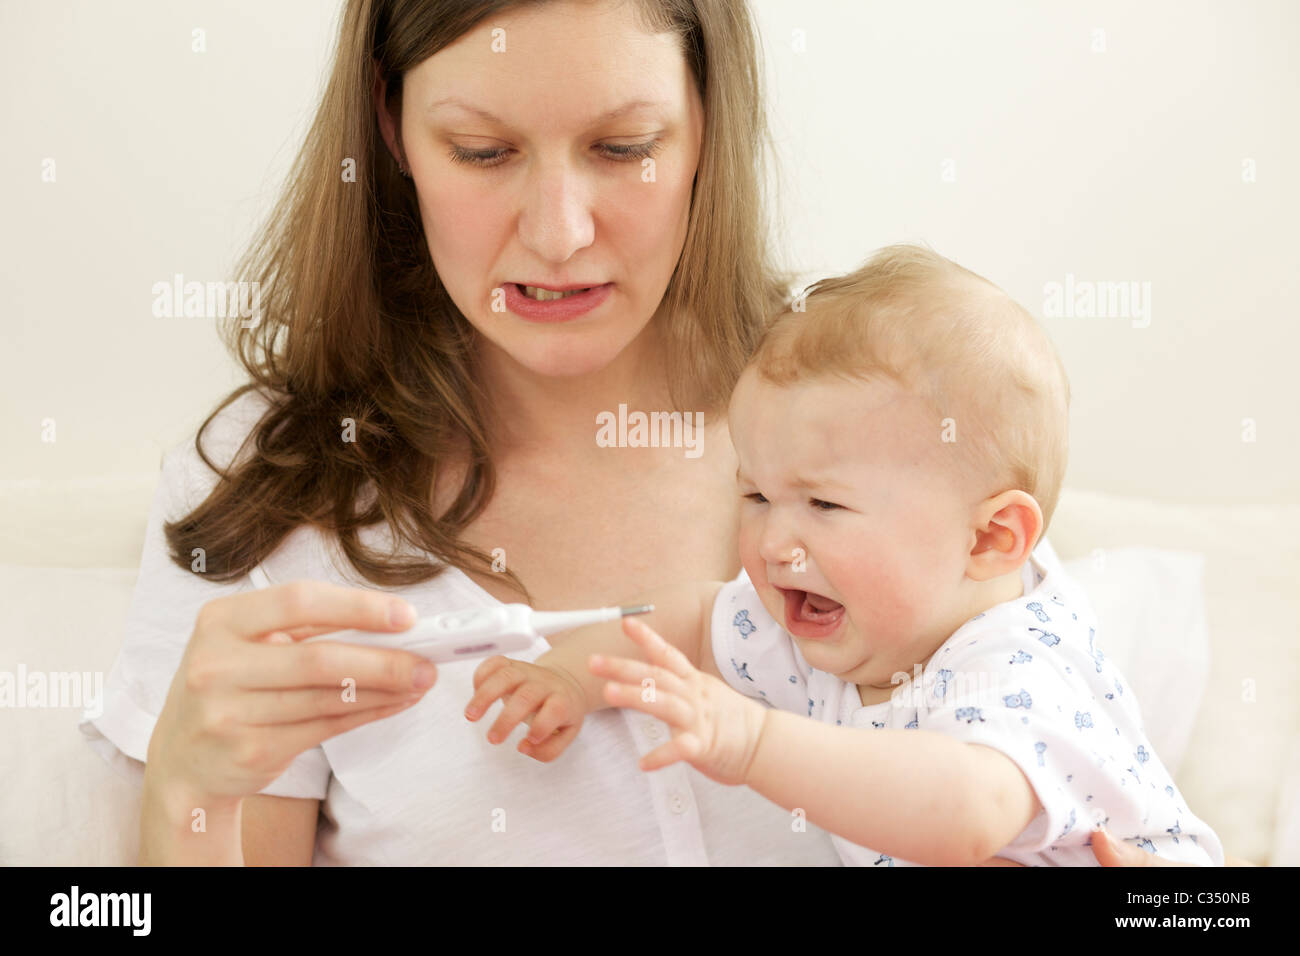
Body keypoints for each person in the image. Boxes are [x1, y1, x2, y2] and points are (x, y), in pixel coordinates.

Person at [79, 0, 1229, 866]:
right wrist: (187, 780)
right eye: (482, 152)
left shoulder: (875, 405)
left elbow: (1098, 801)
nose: (559, 230)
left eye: (624, 146)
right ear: (389, 131)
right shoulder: (276, 487)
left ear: (704, 129)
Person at [464, 244, 1225, 866]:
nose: (772, 542)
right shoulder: (835, 632)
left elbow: (958, 816)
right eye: (756, 496)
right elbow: (695, 620)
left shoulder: (1016, 663)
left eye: (825, 505)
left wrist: (753, 741)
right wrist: (566, 675)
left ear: (990, 540)